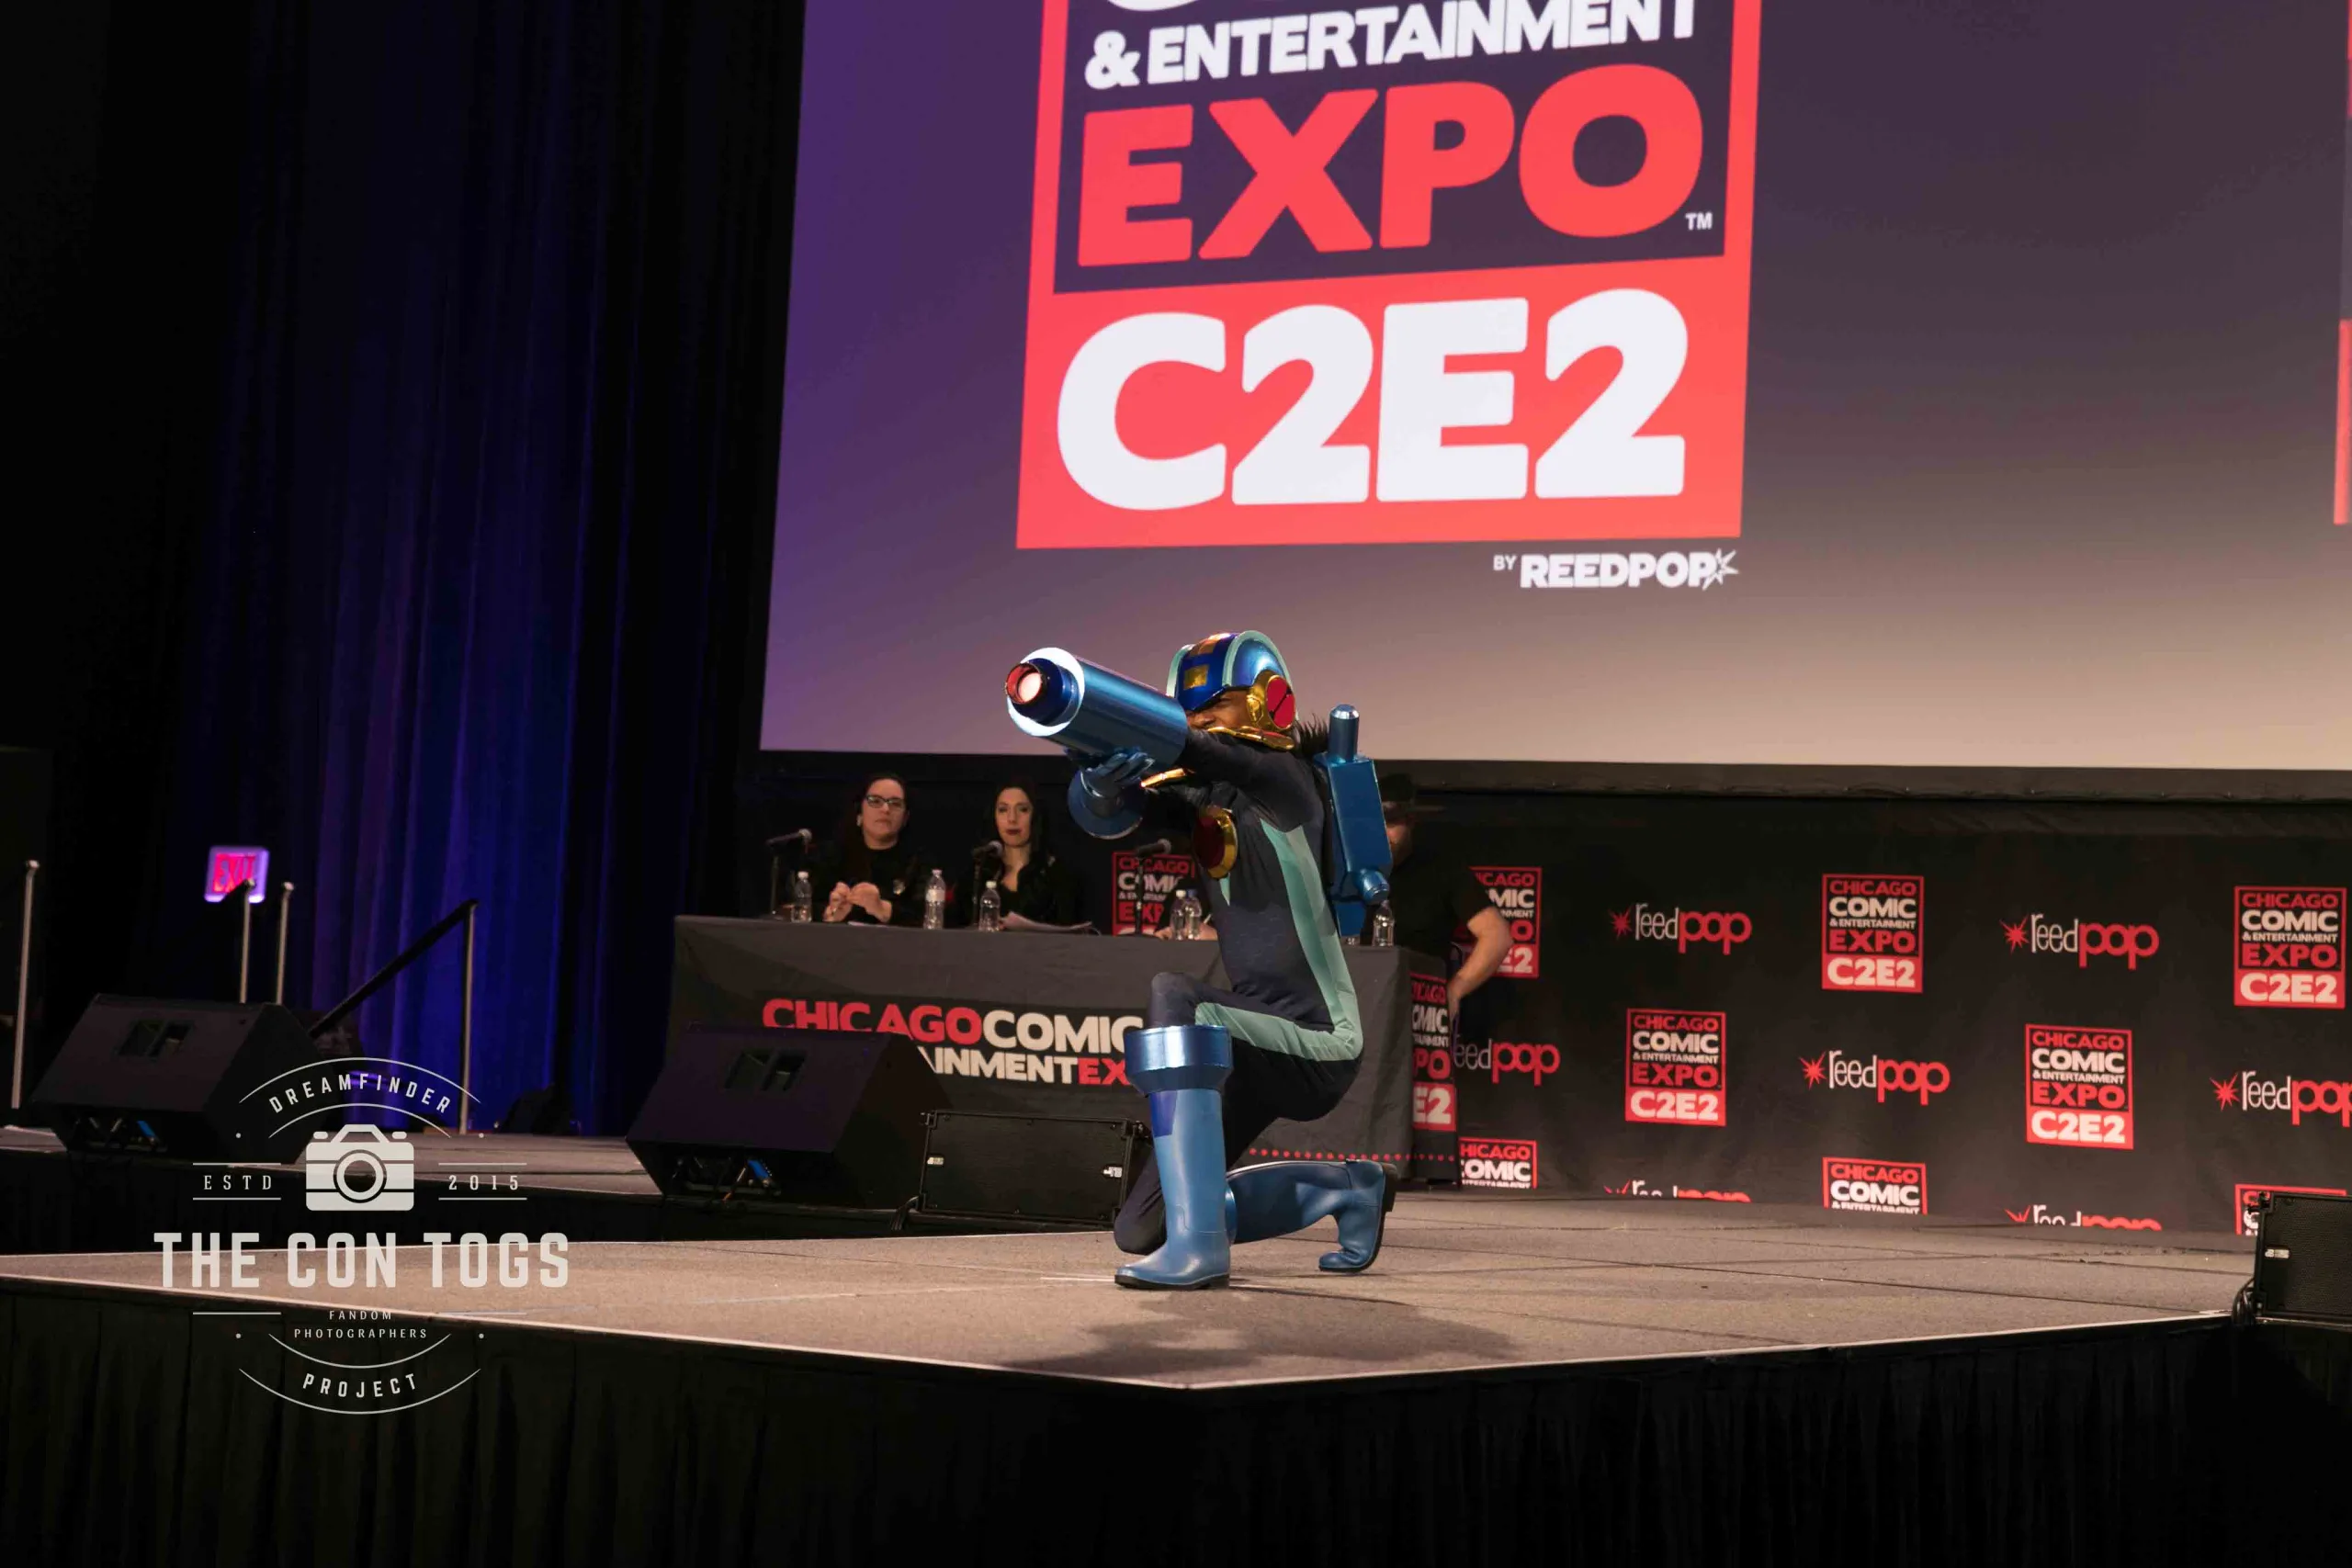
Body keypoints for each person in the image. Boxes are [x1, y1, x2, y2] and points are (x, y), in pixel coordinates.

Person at [1070, 630, 1392, 1291]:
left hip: (1320, 1038)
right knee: (1140, 1229)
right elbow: (1114, 813)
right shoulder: (1210, 794)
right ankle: (1349, 1187)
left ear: (1264, 701)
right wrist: (1097, 775)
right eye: (1186, 709)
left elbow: (1197, 749)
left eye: (1213, 705)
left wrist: (1126, 726)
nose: (1197, 721)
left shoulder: (1285, 780)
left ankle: (1201, 1248)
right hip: (1252, 1038)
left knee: (1176, 994)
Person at [1379, 773, 1512, 1012]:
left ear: (1410, 821)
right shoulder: (1343, 870)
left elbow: (1497, 935)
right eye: (1373, 824)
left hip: (1418, 1007)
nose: (1381, 834)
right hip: (1354, 1005)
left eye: (1390, 824)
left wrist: (1454, 991)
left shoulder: (1442, 869)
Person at [809, 773, 933, 927]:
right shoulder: (830, 855)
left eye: (895, 804)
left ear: (905, 819)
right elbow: (800, 907)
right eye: (875, 801)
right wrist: (830, 912)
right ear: (859, 813)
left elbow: (931, 917)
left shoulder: (919, 863)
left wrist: (883, 909)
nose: (886, 809)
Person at [966, 782, 1083, 927]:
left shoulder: (1057, 874)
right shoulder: (980, 873)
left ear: (1035, 816)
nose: (1012, 819)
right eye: (1003, 810)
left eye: (1023, 810)